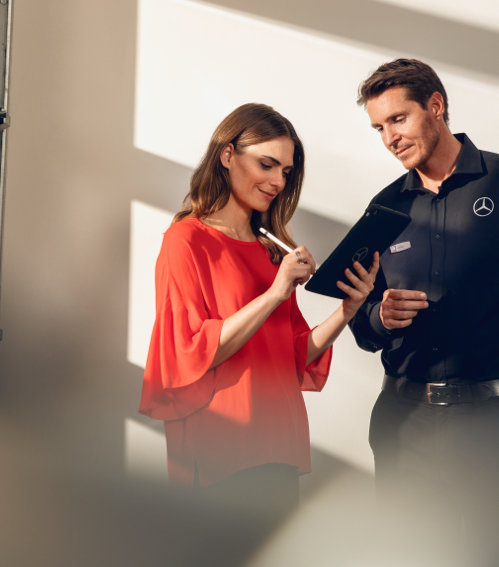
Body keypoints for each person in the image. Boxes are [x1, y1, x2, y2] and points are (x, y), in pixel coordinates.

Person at [348, 59, 499, 565]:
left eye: (398, 119)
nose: (389, 137)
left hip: (496, 425)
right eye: (378, 128)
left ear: (435, 106)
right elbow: (362, 322)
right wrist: (378, 315)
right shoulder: (385, 208)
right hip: (403, 424)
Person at [139, 103, 379, 524]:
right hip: (220, 445)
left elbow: (292, 356)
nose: (277, 181)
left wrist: (348, 310)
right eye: (267, 164)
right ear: (227, 155)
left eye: (286, 171)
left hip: (279, 444)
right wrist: (274, 292)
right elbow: (191, 353)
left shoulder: (272, 248)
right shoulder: (186, 241)